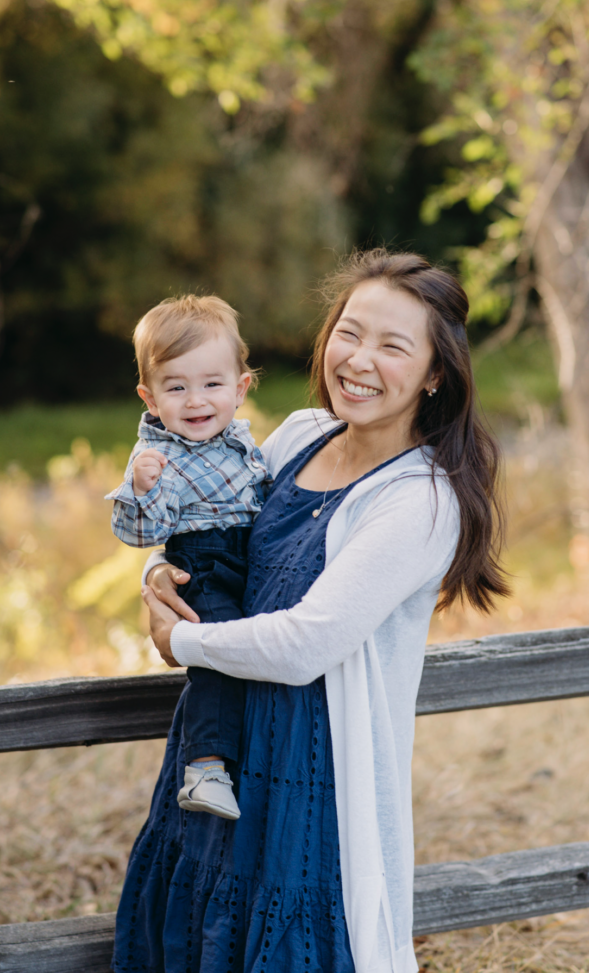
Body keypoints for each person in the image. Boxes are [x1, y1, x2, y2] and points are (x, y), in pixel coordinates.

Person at [112, 250, 508, 973]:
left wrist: (182, 640)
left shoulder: (418, 499)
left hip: (315, 776)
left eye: (392, 346)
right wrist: (158, 574)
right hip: (223, 751)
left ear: (434, 373)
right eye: (349, 333)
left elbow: (307, 644)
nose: (358, 360)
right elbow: (212, 524)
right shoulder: (297, 434)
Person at [106, 295, 271, 821]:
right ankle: (204, 769)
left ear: (240, 388)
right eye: (176, 387)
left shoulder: (241, 440)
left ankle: (241, 755)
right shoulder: (155, 457)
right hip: (202, 566)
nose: (196, 400)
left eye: (212, 384)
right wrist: (141, 488)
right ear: (150, 398)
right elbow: (139, 532)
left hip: (248, 559)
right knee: (216, 657)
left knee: (254, 659)